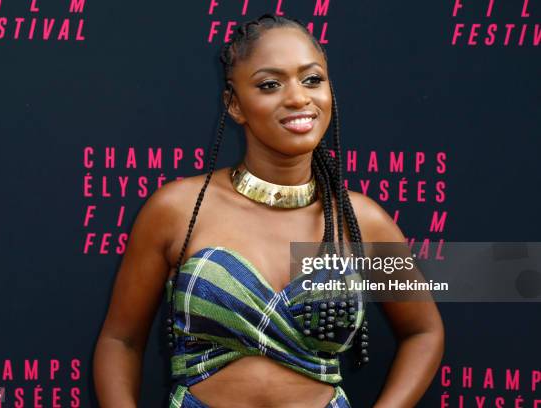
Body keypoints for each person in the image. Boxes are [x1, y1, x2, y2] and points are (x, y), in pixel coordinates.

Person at [93, 13, 444, 408]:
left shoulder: (360, 221)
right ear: (234, 104)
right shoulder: (178, 208)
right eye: (270, 84)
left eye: (312, 79)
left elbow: (424, 333)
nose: (298, 97)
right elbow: (120, 341)